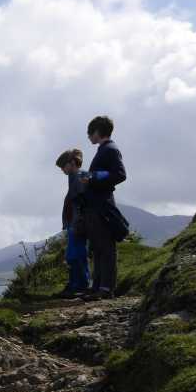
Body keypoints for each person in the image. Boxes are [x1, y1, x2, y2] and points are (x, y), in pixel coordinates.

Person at [80, 115, 127, 299]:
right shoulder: (104, 149)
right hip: (96, 206)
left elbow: (120, 174)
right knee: (98, 247)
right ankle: (98, 286)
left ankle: (106, 289)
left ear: (98, 132)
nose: (88, 136)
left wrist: (94, 177)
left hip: (103, 206)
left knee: (106, 248)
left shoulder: (110, 149)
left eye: (89, 132)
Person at [56, 148, 90, 297]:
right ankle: (74, 284)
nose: (63, 170)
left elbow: (83, 202)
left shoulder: (80, 177)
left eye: (64, 166)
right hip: (74, 222)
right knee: (72, 255)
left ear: (71, 163)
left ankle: (79, 286)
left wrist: (79, 222)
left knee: (76, 255)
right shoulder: (75, 177)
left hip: (78, 223)